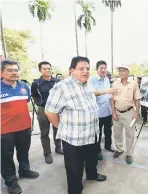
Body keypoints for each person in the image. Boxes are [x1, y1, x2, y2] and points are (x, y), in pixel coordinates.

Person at [45, 56, 115, 194]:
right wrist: (62, 127)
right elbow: (49, 112)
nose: (86, 71)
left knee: (92, 159)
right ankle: (75, 189)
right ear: (71, 70)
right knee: (74, 168)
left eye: (87, 68)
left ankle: (92, 175)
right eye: (81, 68)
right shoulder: (62, 87)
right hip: (73, 139)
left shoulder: (87, 84)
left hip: (91, 134)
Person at [1, 60, 39, 194]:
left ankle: (24, 170)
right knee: (6, 157)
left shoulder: (24, 87)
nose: (14, 73)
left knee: (23, 152)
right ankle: (11, 181)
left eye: (16, 70)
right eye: (10, 70)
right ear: (1, 72)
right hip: (4, 131)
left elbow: (25, 103)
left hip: (24, 127)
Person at [31, 61, 63, 164]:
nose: (47, 70)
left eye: (49, 68)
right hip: (43, 109)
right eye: (44, 69)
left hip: (56, 109)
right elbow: (34, 95)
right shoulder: (36, 83)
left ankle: (58, 147)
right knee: (44, 132)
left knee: (57, 129)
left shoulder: (56, 81)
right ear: (40, 70)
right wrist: (39, 103)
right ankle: (47, 153)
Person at [111, 65, 140, 164]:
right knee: (117, 133)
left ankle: (128, 153)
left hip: (129, 113)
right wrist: (113, 112)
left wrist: (136, 113)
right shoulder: (115, 84)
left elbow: (137, 99)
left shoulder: (133, 84)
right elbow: (112, 99)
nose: (121, 73)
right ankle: (119, 149)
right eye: (120, 71)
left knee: (130, 134)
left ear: (128, 72)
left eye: (123, 71)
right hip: (117, 112)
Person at [89, 60, 116, 161]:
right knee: (98, 133)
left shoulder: (107, 80)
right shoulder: (92, 80)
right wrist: (106, 91)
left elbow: (108, 94)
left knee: (108, 131)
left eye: (105, 68)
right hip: (98, 112)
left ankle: (108, 145)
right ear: (97, 69)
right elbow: (92, 93)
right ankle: (97, 151)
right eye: (101, 68)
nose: (103, 70)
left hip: (107, 110)